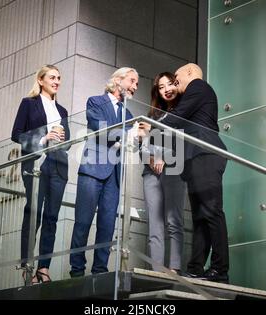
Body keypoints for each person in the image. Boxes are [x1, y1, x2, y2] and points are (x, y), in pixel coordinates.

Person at [140, 63, 229, 283]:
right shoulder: (194, 93)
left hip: (206, 154)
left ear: (189, 73)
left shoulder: (198, 87)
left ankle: (220, 269)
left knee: (212, 211)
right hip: (194, 158)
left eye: (176, 77)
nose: (175, 81)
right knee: (200, 216)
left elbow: (177, 117)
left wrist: (151, 129)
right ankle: (196, 268)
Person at [69, 67, 139, 277]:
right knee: (83, 222)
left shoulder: (128, 114)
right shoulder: (95, 102)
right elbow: (100, 128)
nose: (135, 87)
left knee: (107, 226)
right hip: (93, 170)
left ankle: (100, 270)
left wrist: (136, 136)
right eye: (132, 81)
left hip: (115, 175)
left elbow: (132, 144)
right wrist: (128, 134)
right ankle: (77, 270)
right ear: (118, 80)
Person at [11, 64, 70, 283]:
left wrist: (62, 139)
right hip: (35, 166)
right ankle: (27, 265)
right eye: (52, 77)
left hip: (58, 166)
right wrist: (45, 137)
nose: (57, 81)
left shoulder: (62, 111)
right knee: (33, 213)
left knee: (51, 218)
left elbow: (68, 141)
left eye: (59, 78)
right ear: (41, 80)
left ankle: (43, 268)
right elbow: (16, 134)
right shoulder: (29, 104)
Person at [141, 72, 186, 273]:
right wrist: (151, 158)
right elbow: (142, 146)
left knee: (173, 220)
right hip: (150, 173)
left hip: (174, 170)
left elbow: (182, 143)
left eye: (169, 84)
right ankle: (157, 270)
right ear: (157, 92)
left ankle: (174, 268)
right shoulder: (153, 117)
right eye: (161, 87)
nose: (166, 89)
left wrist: (163, 157)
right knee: (155, 223)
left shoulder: (183, 113)